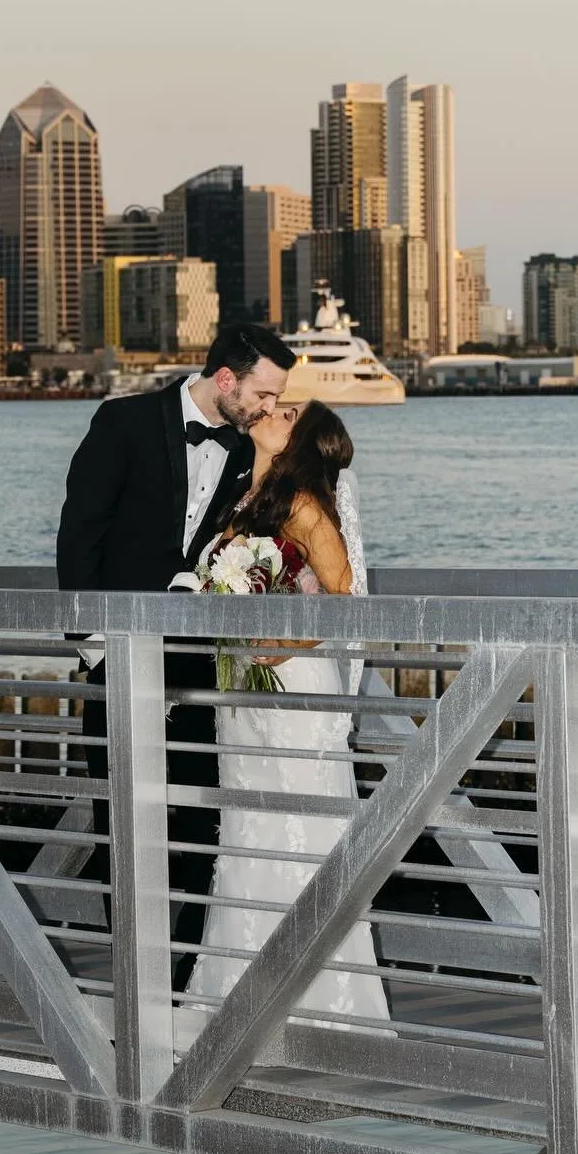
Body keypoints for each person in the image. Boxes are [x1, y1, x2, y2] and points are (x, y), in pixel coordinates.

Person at [55, 323, 296, 988]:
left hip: (197, 669)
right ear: (226, 380)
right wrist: (95, 649)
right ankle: (136, 978)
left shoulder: (250, 449)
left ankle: (182, 980)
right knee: (120, 826)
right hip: (117, 660)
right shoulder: (123, 422)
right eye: (264, 393)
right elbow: (81, 536)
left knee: (198, 823)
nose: (270, 407)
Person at [182, 399, 391, 1034]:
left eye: (287, 411)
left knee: (301, 825)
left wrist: (287, 644)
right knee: (247, 824)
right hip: (245, 689)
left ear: (300, 439)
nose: (272, 409)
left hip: (291, 683)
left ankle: (318, 1003)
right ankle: (234, 990)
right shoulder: (249, 497)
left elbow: (345, 595)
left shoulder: (302, 503)